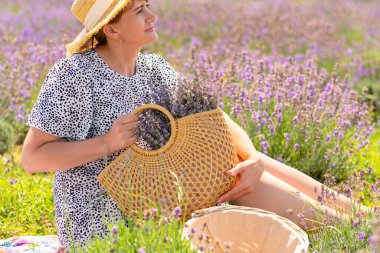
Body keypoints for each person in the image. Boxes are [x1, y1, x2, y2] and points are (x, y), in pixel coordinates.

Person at [21, 0, 372, 249]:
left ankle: (365, 218)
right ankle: (358, 232)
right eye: (139, 9)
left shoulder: (152, 67)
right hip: (107, 215)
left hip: (158, 186)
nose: (152, 15)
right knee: (233, 177)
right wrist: (108, 143)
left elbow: (213, 117)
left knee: (244, 165)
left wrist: (252, 158)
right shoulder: (74, 76)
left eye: (148, 5)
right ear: (111, 28)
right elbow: (33, 158)